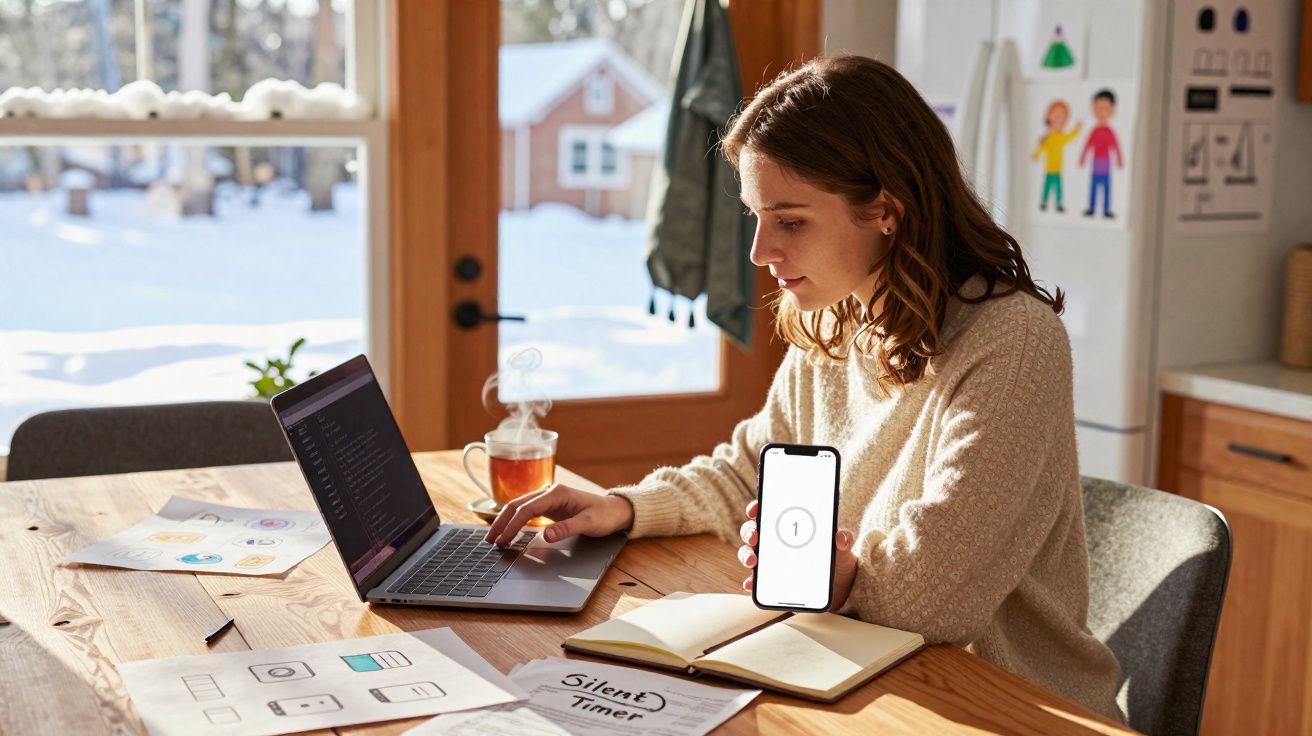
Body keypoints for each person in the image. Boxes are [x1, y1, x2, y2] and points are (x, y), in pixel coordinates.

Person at [485, 55, 1125, 723]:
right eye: (757, 217)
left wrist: (834, 569)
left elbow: (938, 595)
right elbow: (749, 471)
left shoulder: (1013, 341)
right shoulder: (836, 315)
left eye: (790, 221)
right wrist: (623, 507)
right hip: (863, 669)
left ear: (886, 212)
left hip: (1007, 703)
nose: (761, 251)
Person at [1031, 99, 1082, 212]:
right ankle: (1044, 203)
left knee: (1058, 188)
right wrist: (1036, 155)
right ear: (1049, 118)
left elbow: (1070, 136)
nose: (1060, 121)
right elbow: (1042, 148)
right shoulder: (1047, 138)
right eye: (1057, 117)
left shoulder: (1060, 137)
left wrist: (1077, 129)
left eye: (1063, 119)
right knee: (1047, 187)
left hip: (1057, 169)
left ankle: (1058, 204)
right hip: (1049, 169)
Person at [1080, 88, 1123, 218]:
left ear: (1112, 110)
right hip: (1095, 162)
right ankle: (1092, 208)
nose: (1101, 112)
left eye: (1105, 108)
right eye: (1098, 108)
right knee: (1093, 187)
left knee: (1106, 187)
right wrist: (1083, 158)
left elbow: (1115, 147)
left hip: (1106, 163)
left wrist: (1119, 159)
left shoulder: (1109, 131)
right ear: (1093, 109)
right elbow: (1087, 145)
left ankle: (1106, 210)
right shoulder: (1094, 131)